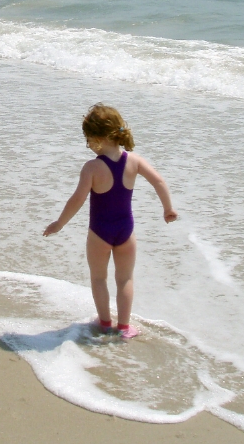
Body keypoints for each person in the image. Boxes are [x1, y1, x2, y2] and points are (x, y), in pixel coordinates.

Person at [43, 103, 177, 338]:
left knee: (99, 278)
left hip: (99, 233)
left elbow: (77, 199)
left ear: (97, 137)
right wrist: (168, 208)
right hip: (126, 231)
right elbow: (159, 181)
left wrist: (60, 223)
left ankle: (105, 323)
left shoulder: (92, 167)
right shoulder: (134, 161)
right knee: (125, 279)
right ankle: (124, 328)